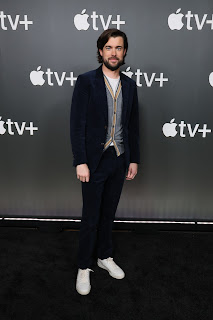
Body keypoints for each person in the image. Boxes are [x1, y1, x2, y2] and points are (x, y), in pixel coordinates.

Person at [70, 28, 140, 295]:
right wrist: (80, 161)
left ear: (124, 52)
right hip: (93, 162)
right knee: (91, 217)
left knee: (109, 214)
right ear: (101, 51)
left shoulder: (131, 85)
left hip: (119, 159)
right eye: (109, 48)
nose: (114, 53)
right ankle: (84, 266)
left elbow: (132, 127)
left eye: (119, 48)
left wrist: (133, 160)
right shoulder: (86, 81)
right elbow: (77, 125)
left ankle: (104, 256)